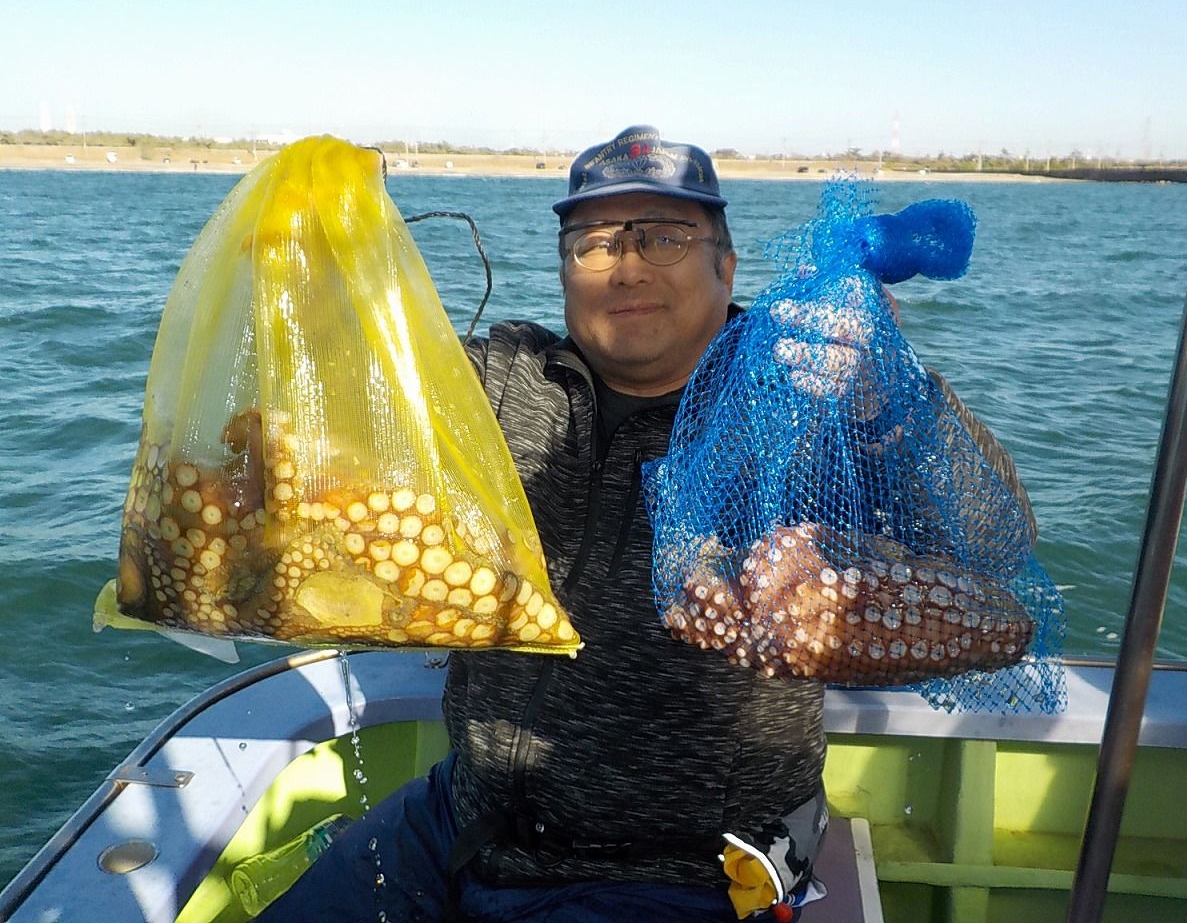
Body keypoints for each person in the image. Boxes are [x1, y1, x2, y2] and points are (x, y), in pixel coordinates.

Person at [256, 125, 1036, 922]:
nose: (626, 265)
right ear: (564, 272)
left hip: (687, 870)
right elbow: (340, 402)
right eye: (594, 242)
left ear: (726, 266)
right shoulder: (502, 381)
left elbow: (995, 542)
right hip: (461, 817)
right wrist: (322, 266)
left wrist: (888, 403)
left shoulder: (808, 397)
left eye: (664, 237)